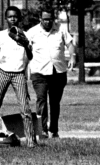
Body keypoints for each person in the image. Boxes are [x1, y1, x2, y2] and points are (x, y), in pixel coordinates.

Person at [0, 6, 37, 148]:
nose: (13, 19)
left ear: (19, 18)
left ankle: (31, 142)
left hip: (19, 74)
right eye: (10, 17)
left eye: (15, 17)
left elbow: (30, 57)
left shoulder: (25, 35)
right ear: (6, 19)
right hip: (3, 72)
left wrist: (25, 45)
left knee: (25, 109)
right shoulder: (0, 35)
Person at [26, 8, 76, 138]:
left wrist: (72, 57)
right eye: (45, 19)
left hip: (58, 71)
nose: (48, 22)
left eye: (50, 19)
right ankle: (42, 130)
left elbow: (70, 44)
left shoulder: (61, 30)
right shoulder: (32, 32)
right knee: (41, 100)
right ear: (40, 19)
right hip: (39, 72)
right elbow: (25, 49)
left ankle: (54, 130)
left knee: (55, 102)